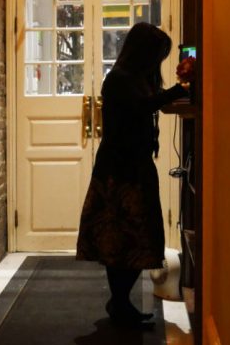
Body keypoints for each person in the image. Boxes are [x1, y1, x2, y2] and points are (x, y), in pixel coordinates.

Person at [76, 22, 188, 327]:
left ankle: (120, 302)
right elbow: (143, 106)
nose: (158, 61)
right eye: (156, 55)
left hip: (131, 167)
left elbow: (147, 104)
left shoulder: (134, 78)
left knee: (135, 237)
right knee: (124, 238)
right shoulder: (120, 80)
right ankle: (121, 302)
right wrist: (182, 87)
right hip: (120, 171)